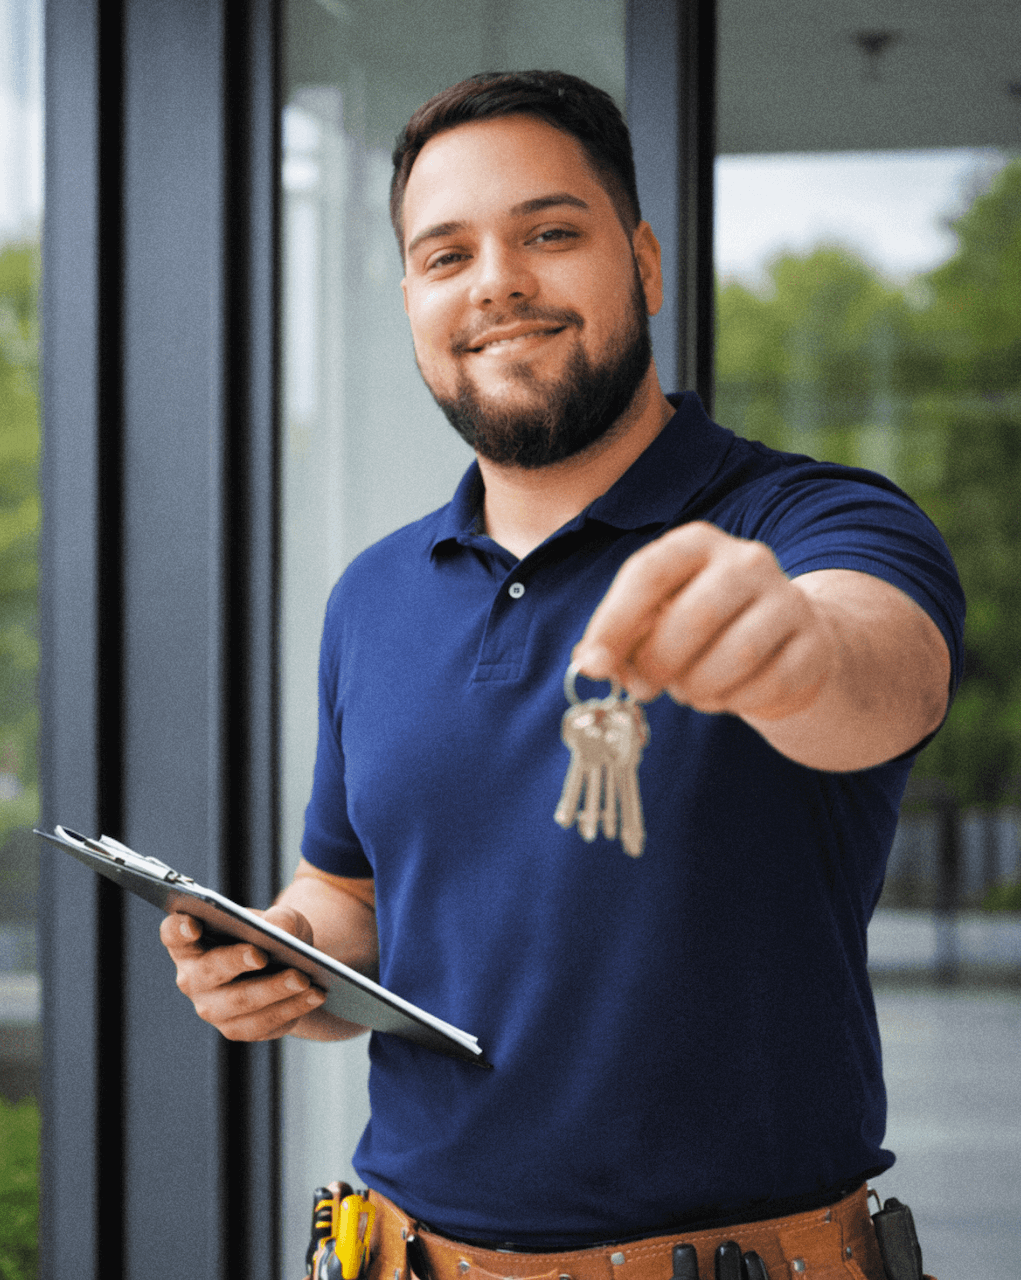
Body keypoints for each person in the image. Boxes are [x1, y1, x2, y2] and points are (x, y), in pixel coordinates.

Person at [162, 71, 962, 1279]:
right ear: (412, 300)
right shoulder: (373, 595)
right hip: (395, 1256)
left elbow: (883, 668)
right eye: (446, 255)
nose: (496, 281)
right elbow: (351, 904)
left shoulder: (807, 519)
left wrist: (789, 648)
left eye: (548, 232)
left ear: (642, 262)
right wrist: (281, 960)